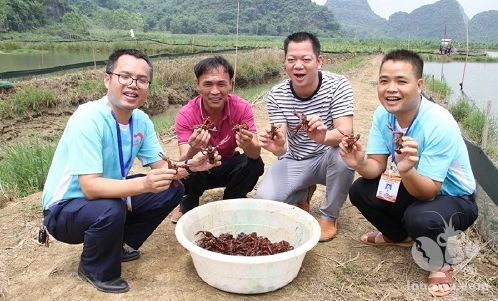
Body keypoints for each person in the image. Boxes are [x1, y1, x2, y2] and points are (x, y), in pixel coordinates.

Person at [41, 49, 220, 294]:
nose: (133, 85)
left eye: (142, 80)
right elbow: (90, 187)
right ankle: (94, 268)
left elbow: (164, 169)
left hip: (105, 199)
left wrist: (193, 164)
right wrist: (144, 185)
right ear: (107, 79)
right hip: (64, 210)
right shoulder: (88, 118)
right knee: (111, 207)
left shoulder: (141, 121)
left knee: (171, 188)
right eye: (124, 77)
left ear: (148, 86)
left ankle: (115, 245)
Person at [339, 49, 477, 297]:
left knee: (421, 217)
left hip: (455, 198)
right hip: (415, 186)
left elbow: (428, 192)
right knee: (360, 190)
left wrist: (407, 170)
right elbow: (376, 169)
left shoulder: (439, 123)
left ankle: (440, 262)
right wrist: (359, 162)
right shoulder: (383, 115)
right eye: (384, 81)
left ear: (419, 85)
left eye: (401, 81)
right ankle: (399, 235)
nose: (391, 88)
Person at [255, 32, 355, 242]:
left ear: (319, 61)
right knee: (265, 201)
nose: (298, 65)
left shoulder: (338, 85)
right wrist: (277, 146)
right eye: (291, 60)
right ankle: (303, 192)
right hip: (297, 159)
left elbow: (345, 132)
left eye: (306, 59)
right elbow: (280, 141)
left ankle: (329, 216)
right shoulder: (276, 94)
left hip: (329, 157)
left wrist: (324, 136)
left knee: (344, 153)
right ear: (285, 62)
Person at [172, 56, 264, 222]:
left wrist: (247, 143)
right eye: (208, 84)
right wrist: (193, 148)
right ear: (197, 85)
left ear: (230, 84)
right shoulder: (186, 114)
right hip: (201, 166)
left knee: (254, 164)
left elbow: (255, 153)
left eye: (221, 84)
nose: (215, 91)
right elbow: (184, 160)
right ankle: (188, 204)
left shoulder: (242, 108)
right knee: (186, 170)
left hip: (228, 163)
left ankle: (231, 202)